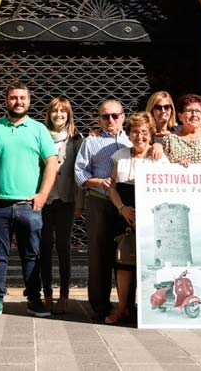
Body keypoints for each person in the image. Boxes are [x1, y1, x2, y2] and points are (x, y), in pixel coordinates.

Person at [0, 82, 57, 318]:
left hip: (28, 205)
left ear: (29, 102)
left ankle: (34, 299)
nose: (18, 101)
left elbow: (51, 163)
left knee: (31, 254)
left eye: (22, 98)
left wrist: (43, 194)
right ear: (6, 101)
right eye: (13, 97)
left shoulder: (39, 129)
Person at [106, 112, 168, 324]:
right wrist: (122, 208)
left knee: (151, 263)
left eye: (144, 132)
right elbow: (112, 187)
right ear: (129, 134)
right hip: (124, 216)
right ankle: (122, 309)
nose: (139, 136)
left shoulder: (159, 157)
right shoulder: (120, 155)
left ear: (150, 133)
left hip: (151, 218)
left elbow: (166, 189)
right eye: (135, 132)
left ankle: (149, 312)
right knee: (123, 263)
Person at [74, 99, 130, 319]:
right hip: (100, 201)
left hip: (126, 203)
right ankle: (99, 305)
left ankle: (127, 304)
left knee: (128, 253)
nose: (111, 120)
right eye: (105, 116)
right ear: (99, 119)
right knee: (99, 253)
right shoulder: (90, 142)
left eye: (115, 116)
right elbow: (80, 173)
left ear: (123, 117)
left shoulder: (132, 139)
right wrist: (97, 181)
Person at [41, 96, 83, 314]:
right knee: (45, 247)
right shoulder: (41, 136)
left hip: (66, 200)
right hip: (45, 200)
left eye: (63, 111)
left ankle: (64, 295)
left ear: (68, 115)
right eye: (55, 111)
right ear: (49, 114)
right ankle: (47, 293)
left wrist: (80, 203)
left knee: (63, 248)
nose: (59, 115)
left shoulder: (76, 139)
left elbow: (80, 173)